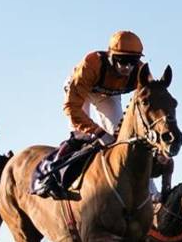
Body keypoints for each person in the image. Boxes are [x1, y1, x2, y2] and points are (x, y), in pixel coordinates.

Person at [37, 30, 148, 199]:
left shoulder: (141, 71)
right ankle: (53, 178)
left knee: (121, 138)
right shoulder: (91, 64)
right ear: (111, 55)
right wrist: (97, 131)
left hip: (108, 94)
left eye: (132, 62)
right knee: (82, 135)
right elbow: (71, 107)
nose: (127, 67)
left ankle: (148, 192)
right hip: (80, 90)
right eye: (122, 61)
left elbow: (153, 97)